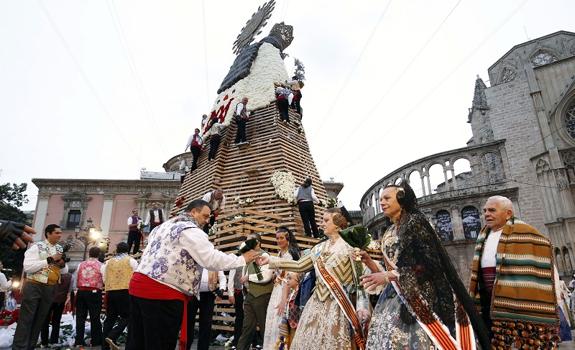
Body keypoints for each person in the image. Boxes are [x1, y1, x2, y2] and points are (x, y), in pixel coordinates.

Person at [359, 182, 489, 350]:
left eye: (387, 198)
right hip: (396, 294)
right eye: (381, 199)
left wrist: (387, 276)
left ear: (401, 199)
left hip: (425, 293)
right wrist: (369, 261)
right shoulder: (389, 231)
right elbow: (391, 270)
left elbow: (428, 264)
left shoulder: (416, 222)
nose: (382, 202)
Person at [126, 199, 260, 350]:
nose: (207, 220)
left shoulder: (162, 226)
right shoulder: (191, 230)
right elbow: (210, 259)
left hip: (138, 287)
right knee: (159, 342)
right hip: (162, 293)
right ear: (193, 212)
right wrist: (241, 259)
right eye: (205, 216)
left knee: (138, 341)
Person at [256, 208, 370, 350]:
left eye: (326, 220)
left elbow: (360, 280)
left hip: (339, 305)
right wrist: (271, 260)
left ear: (338, 223)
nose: (322, 224)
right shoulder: (319, 248)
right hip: (316, 302)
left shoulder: (351, 246)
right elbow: (299, 265)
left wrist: (362, 306)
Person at [468, 195, 559, 348]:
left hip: (516, 304)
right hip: (486, 301)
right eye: (485, 211)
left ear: (508, 213)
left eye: (492, 210)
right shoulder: (483, 234)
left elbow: (543, 247)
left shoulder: (525, 232)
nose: (486, 214)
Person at [12, 224, 68, 350]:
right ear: (48, 233)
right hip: (34, 285)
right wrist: (49, 260)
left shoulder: (59, 249)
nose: (60, 235)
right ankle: (19, 347)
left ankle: (30, 346)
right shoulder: (37, 247)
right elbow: (28, 267)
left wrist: (62, 264)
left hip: (50, 287)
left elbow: (64, 272)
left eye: (60, 233)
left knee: (40, 319)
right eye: (57, 233)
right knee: (27, 318)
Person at [262, 227, 300, 350]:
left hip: (286, 290)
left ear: (287, 238)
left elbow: (291, 277)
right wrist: (275, 276)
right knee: (271, 319)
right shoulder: (279, 253)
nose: (279, 241)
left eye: (281, 238)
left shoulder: (292, 254)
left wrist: (284, 299)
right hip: (277, 289)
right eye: (277, 238)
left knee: (280, 321)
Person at [236, 233, 274, 350]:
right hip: (250, 295)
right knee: (247, 327)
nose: (246, 243)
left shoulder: (265, 255)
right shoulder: (249, 255)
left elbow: (265, 277)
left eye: (249, 241)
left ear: (258, 242)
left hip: (262, 296)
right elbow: (245, 272)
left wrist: (248, 278)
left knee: (264, 327)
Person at [101, 242, 138, 350]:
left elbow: (104, 277)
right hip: (125, 291)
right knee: (127, 316)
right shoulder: (132, 261)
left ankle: (105, 345)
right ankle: (112, 336)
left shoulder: (108, 262)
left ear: (116, 250)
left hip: (111, 291)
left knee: (110, 318)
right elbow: (136, 276)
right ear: (127, 250)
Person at [186, 269, 227, 350]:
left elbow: (222, 277)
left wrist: (222, 289)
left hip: (208, 294)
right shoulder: (195, 257)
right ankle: (185, 347)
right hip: (192, 293)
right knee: (188, 322)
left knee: (206, 324)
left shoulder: (214, 260)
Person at [74, 246, 104, 348]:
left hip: (81, 291)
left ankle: (79, 341)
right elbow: (104, 279)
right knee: (95, 317)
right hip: (94, 292)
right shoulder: (101, 265)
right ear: (99, 254)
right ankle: (95, 341)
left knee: (80, 317)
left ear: (89, 254)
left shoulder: (81, 264)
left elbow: (76, 277)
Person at [40, 272, 72, 347]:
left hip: (47, 300)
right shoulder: (70, 277)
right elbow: (70, 289)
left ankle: (44, 342)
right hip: (60, 301)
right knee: (56, 321)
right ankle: (54, 341)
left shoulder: (48, 273)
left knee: (45, 320)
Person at [277, 272, 302, 349]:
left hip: (296, 324)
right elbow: (287, 309)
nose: (287, 280)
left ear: (297, 281)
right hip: (289, 323)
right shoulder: (292, 293)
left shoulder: (299, 294)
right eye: (287, 278)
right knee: (287, 343)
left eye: (290, 278)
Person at [227, 266, 245, 350]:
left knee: (250, 318)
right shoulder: (237, 262)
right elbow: (230, 279)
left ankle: (253, 341)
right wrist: (231, 293)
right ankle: (236, 341)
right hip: (239, 293)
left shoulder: (252, 263)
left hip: (249, 293)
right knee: (239, 317)